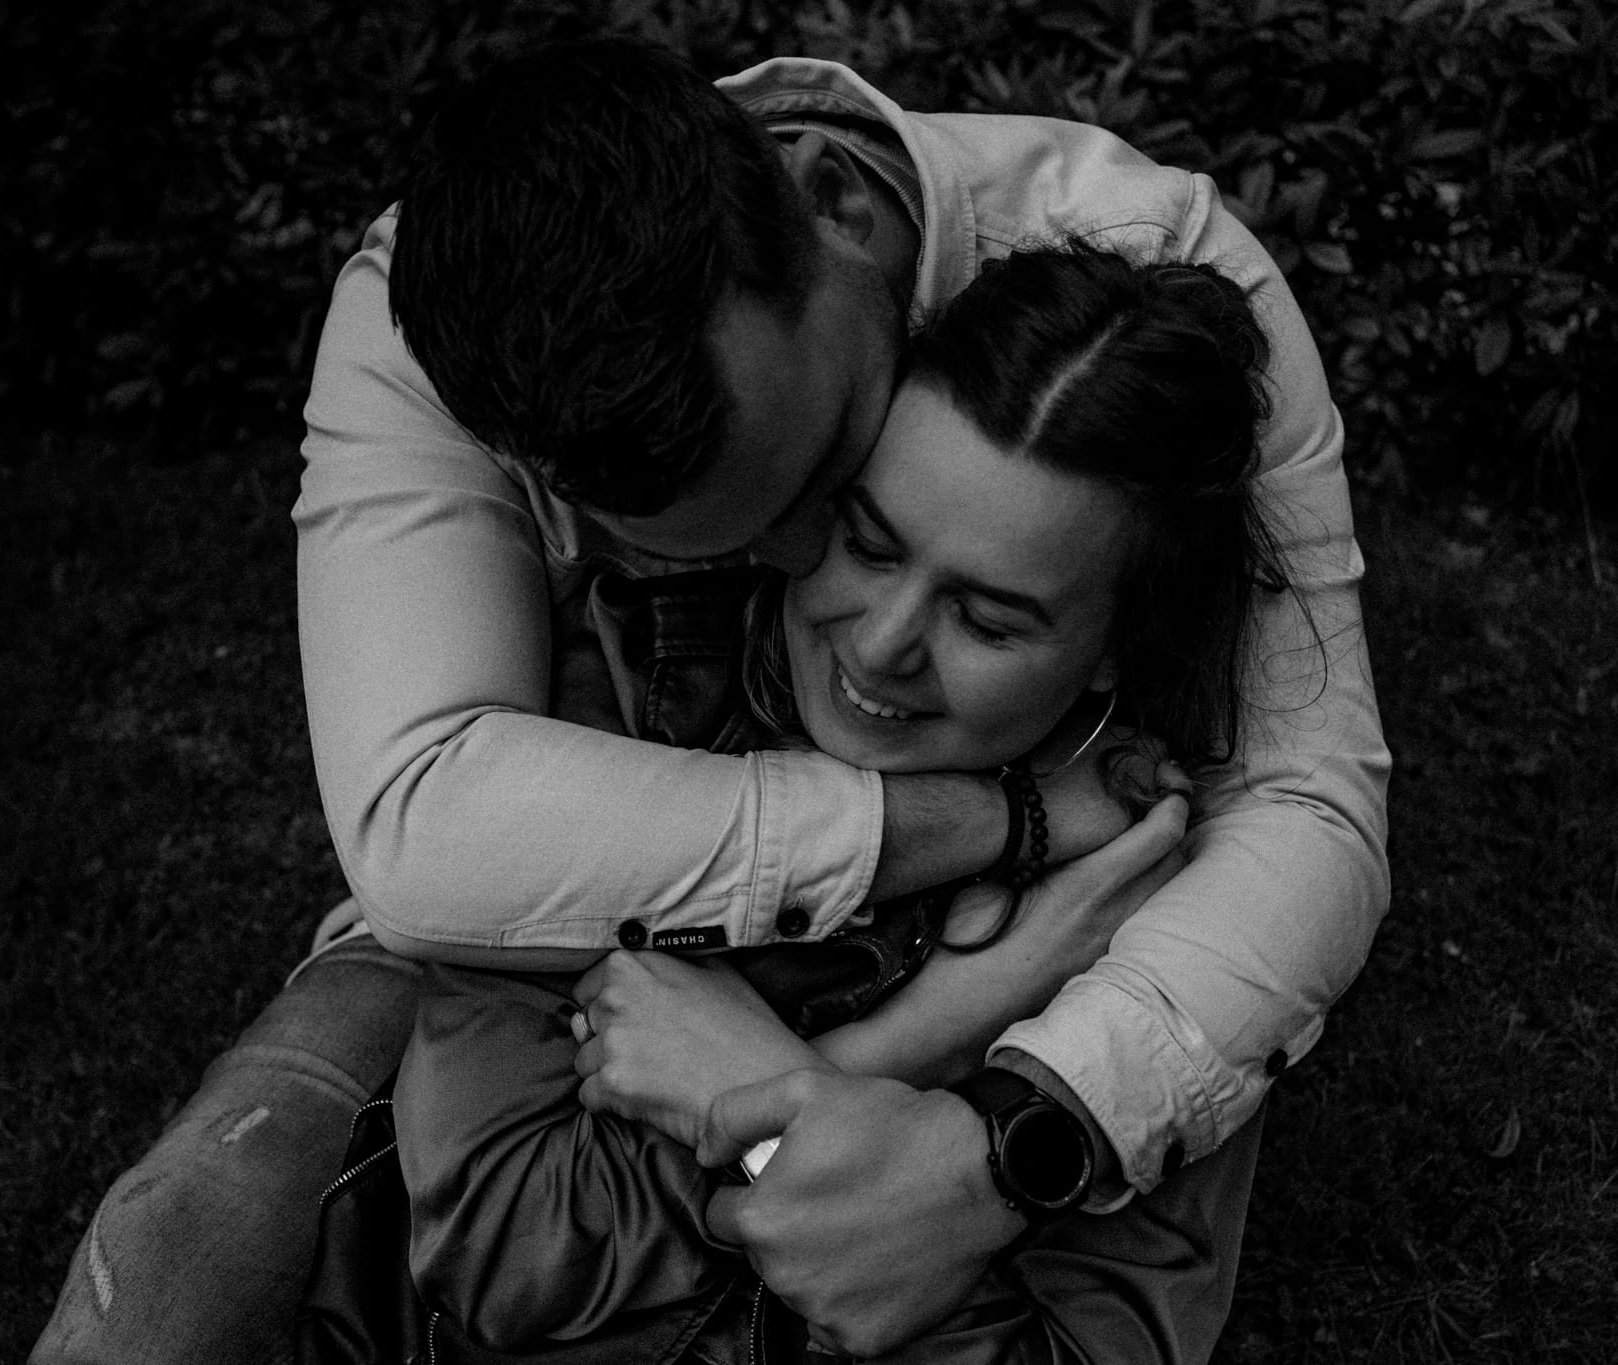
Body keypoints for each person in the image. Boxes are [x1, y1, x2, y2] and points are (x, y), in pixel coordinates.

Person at [30, 39, 1389, 1365]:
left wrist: (992, 1135)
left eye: (822, 489)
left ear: (841, 218)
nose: (842, 617)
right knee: (172, 1259)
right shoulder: (458, 342)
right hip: (539, 903)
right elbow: (434, 850)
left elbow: (1306, 802)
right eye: (860, 534)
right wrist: (973, 904)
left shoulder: (1153, 270)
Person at [389, 244, 1291, 1362]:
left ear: (1113, 653)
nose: (877, 643)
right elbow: (503, 1241)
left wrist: (775, 1093)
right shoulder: (631, 680)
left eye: (990, 622)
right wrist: (934, 1032)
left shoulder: (1162, 920)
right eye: (867, 542)